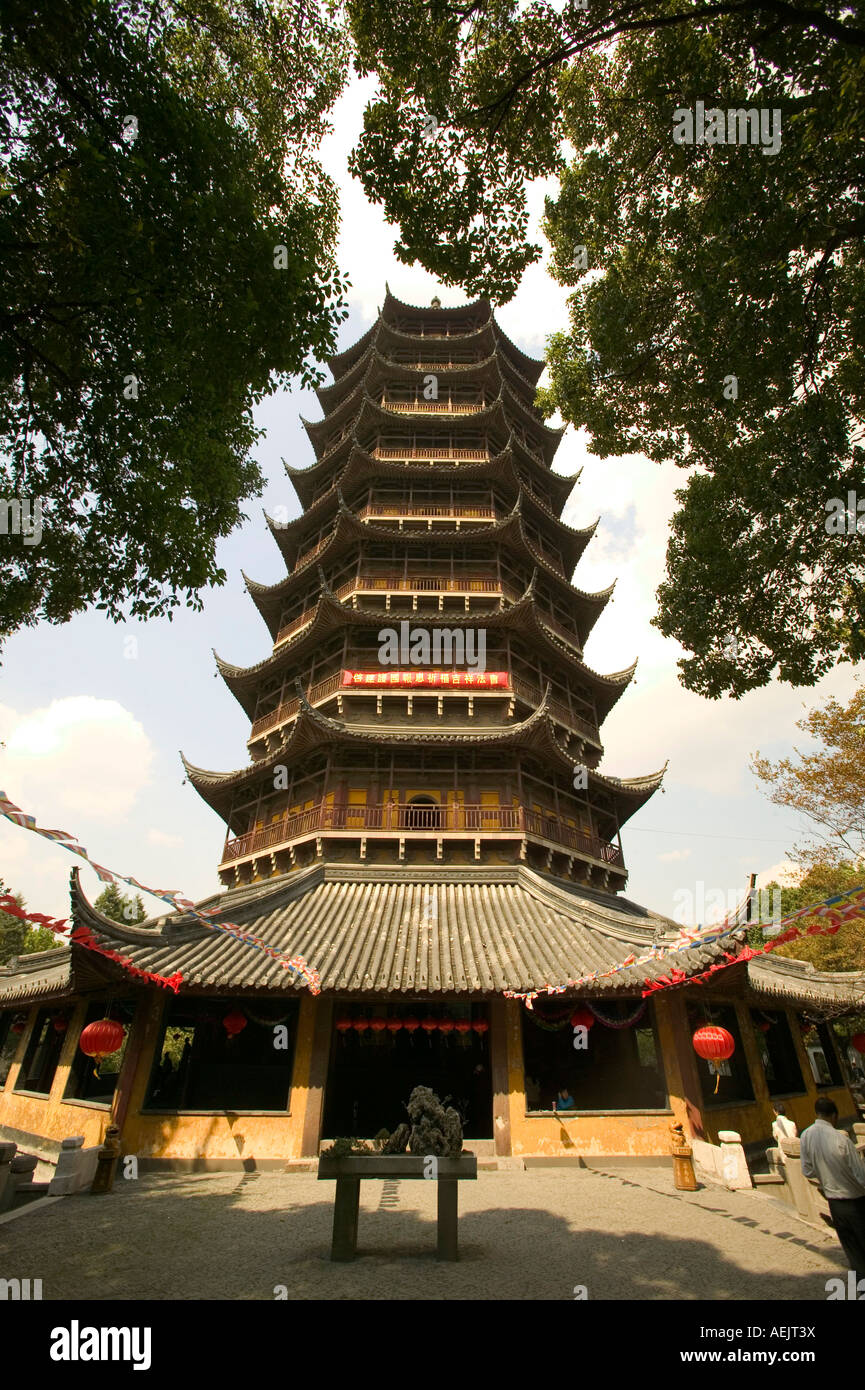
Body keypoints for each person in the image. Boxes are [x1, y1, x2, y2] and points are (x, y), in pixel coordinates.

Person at [800, 1097, 865, 1282]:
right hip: (856, 1201)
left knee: (852, 1252)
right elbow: (861, 1175)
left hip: (834, 1203)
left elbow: (807, 1170)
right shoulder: (841, 1139)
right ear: (834, 1115)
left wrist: (824, 1176)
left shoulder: (806, 1136)